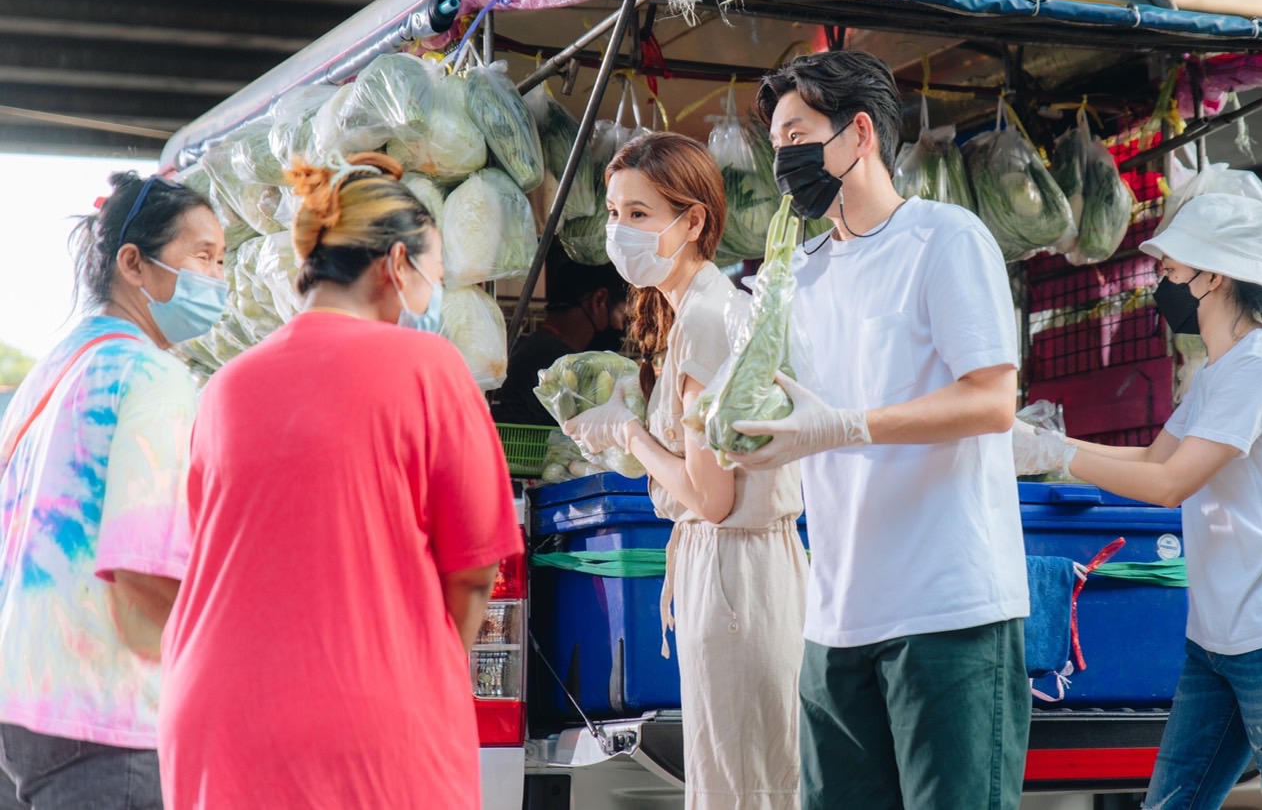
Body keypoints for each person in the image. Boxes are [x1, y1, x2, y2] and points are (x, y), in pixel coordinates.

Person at [157, 152, 523, 810]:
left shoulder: (224, 387)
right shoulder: (429, 366)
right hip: (365, 727)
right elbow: (473, 571)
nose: (433, 295)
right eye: (434, 274)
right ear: (397, 265)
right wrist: (420, 667)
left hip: (212, 721)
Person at [728, 51, 1030, 810]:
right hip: (835, 617)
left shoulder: (945, 240)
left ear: (859, 133)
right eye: (775, 147)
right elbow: (765, 415)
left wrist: (847, 426)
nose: (783, 159)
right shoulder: (794, 276)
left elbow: (992, 401)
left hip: (948, 613)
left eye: (796, 134)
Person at [1015, 185, 1262, 810]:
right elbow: (1151, 459)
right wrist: (1042, 446)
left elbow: (1171, 485)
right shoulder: (1217, 373)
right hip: (1218, 642)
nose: (1160, 283)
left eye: (1169, 270)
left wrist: (1059, 456)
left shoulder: (1260, 367)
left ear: (1214, 276)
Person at [562, 133, 807, 810]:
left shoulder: (703, 318)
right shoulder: (695, 311)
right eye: (613, 214)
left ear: (693, 220)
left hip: (736, 574)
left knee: (740, 788)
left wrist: (630, 435)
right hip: (739, 573)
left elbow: (711, 496)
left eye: (638, 215)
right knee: (747, 778)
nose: (619, 232)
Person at [0, 172, 225, 809]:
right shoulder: (152, 375)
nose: (218, 280)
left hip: (24, 704)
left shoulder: (50, 371)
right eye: (202, 256)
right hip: (105, 717)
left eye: (222, 260)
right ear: (133, 263)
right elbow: (143, 570)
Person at [492, 243, 629, 426]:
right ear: (599, 301)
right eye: (623, 317)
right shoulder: (557, 361)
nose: (621, 328)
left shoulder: (538, 347)